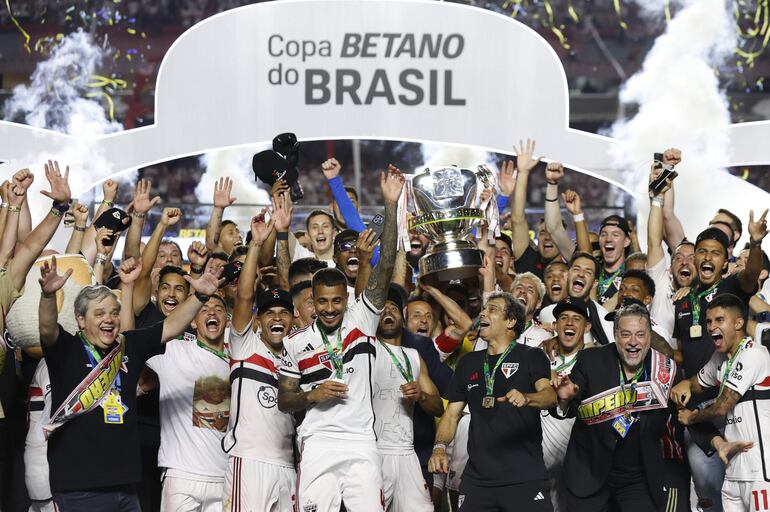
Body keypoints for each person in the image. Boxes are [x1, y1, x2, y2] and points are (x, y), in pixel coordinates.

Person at [38, 255, 222, 511]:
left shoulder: (128, 345)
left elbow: (170, 326)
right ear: (81, 320)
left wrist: (200, 297)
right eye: (99, 313)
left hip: (125, 486)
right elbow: (47, 329)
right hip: (78, 486)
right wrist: (48, 297)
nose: (109, 319)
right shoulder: (67, 350)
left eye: (114, 313)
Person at [277, 167, 404, 511]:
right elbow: (285, 398)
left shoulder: (362, 319)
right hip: (317, 442)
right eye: (322, 302)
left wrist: (389, 205)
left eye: (336, 301)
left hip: (361, 442)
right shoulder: (295, 342)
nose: (330, 309)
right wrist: (312, 394)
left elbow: (387, 261)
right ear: (312, 302)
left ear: (346, 299)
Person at [429, 293, 557, 511]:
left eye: (493, 310)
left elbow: (550, 396)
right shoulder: (469, 363)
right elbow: (451, 414)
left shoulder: (531, 356)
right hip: (477, 480)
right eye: (484, 309)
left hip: (523, 477)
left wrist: (528, 398)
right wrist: (439, 448)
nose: (483, 313)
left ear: (511, 321)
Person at [552, 304, 679, 511]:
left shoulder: (664, 369)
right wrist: (565, 398)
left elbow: (684, 417)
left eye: (640, 334)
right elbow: (569, 407)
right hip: (588, 473)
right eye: (626, 334)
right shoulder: (590, 360)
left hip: (638, 478)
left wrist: (715, 442)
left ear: (649, 335)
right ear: (615, 334)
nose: (633, 342)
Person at [222, 200, 297, 512]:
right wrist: (255, 244)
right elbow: (245, 294)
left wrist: (282, 236)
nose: (276, 318)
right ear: (258, 320)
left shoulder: (296, 355)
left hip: (287, 466)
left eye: (283, 313)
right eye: (269, 313)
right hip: (248, 462)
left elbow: (286, 284)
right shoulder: (245, 345)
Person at [673, 294, 770, 511]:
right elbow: (698, 382)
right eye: (708, 321)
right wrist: (685, 384)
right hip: (734, 468)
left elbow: (722, 407)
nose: (711, 327)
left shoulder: (753, 354)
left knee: (695, 419)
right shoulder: (721, 359)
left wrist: (691, 417)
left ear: (738, 323)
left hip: (761, 470)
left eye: (719, 320)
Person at [144, 295, 231, 512]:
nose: (212, 313)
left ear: (227, 319)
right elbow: (130, 342)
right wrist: (128, 288)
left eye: (218, 309)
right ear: (192, 321)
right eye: (204, 309)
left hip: (224, 477)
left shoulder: (236, 361)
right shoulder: (174, 350)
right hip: (182, 476)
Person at [373, 286, 444, 511]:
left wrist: (422, 396)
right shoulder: (366, 352)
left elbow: (437, 407)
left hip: (407, 453)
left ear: (402, 315)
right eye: (381, 309)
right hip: (374, 452)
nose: (387, 312)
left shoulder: (414, 356)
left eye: (392, 307)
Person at [540, 298, 592, 512]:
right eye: (563, 318)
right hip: (539, 464)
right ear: (555, 326)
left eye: (576, 319)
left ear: (587, 326)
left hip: (576, 461)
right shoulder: (538, 358)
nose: (569, 323)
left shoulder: (594, 360)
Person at [539, 252, 615, 345]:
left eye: (588, 272)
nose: (581, 274)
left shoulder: (603, 318)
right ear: (568, 275)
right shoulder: (546, 313)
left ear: (594, 283)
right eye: (576, 269)